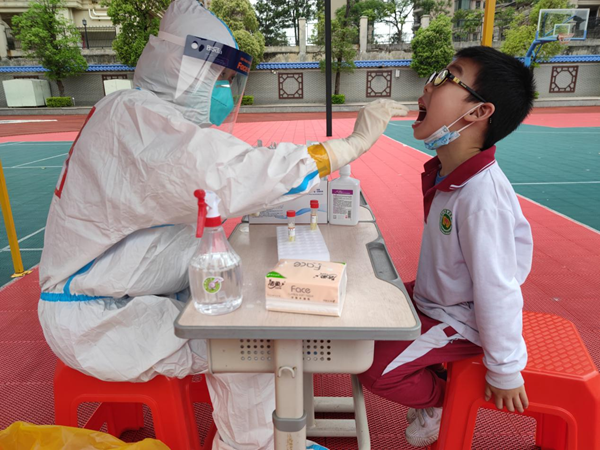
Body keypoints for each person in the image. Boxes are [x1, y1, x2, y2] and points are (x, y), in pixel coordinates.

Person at [37, 0, 408, 449]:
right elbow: (229, 176)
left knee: (244, 297)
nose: (226, 93)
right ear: (184, 70)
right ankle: (254, 445)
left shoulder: (145, 116)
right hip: (101, 318)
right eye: (220, 78)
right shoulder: (136, 119)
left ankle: (265, 436)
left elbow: (224, 174)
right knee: (248, 339)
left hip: (129, 291)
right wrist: (350, 145)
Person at [357, 46, 536, 448]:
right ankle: (433, 373)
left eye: (446, 78)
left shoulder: (482, 198)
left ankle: (443, 402)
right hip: (435, 298)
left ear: (478, 112)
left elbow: (498, 288)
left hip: (459, 318)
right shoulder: (451, 172)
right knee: (365, 308)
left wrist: (505, 369)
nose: (428, 86)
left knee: (374, 368)